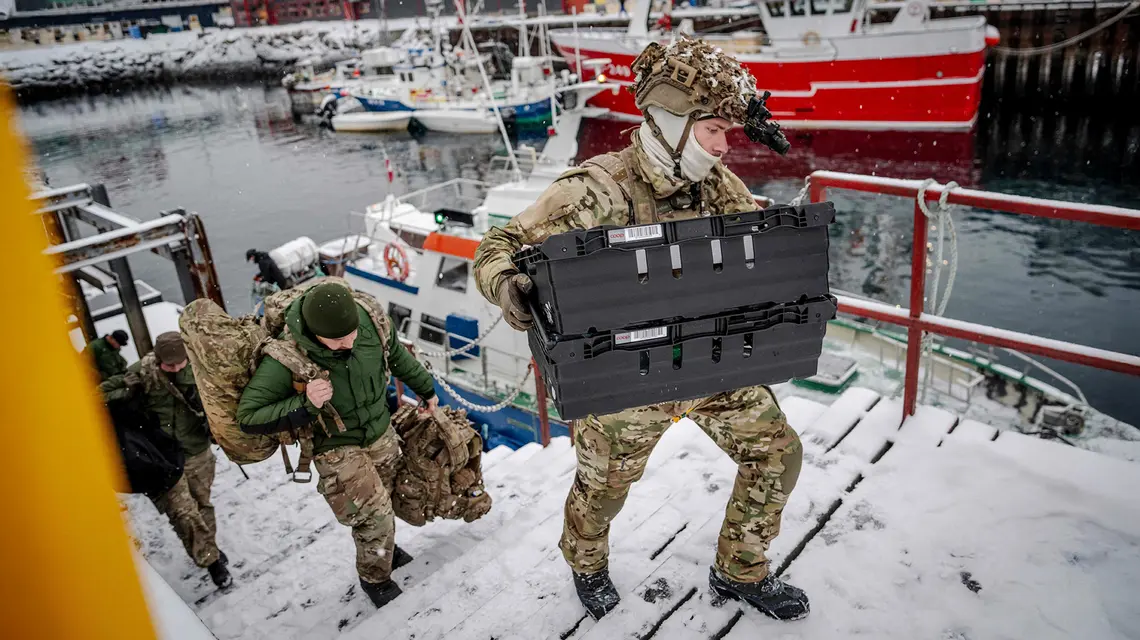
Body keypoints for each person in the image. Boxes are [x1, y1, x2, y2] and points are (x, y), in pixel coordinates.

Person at [472, 37, 808, 622]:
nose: (725, 147)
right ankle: (586, 562)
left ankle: (739, 570)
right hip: (627, 369)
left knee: (777, 453)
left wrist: (780, 233)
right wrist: (510, 286)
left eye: (728, 133)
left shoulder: (715, 183)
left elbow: (754, 234)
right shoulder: (596, 189)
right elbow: (497, 246)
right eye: (714, 132)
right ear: (672, 123)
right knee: (602, 491)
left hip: (710, 358)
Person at [235, 281, 439, 609]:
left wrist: (426, 390)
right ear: (315, 334)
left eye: (352, 333)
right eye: (338, 339)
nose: (349, 342)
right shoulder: (287, 357)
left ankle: (383, 547)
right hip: (334, 444)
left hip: (379, 430)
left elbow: (398, 357)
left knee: (386, 498)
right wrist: (305, 404)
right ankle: (376, 579)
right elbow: (249, 415)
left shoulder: (370, 321)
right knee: (374, 515)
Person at [103, 332, 232, 588]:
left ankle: (209, 546)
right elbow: (96, 395)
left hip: (197, 451)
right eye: (167, 364)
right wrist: (127, 390)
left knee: (201, 504)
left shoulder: (200, 367)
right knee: (183, 514)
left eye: (178, 363)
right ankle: (211, 561)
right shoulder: (143, 371)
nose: (173, 368)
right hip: (161, 459)